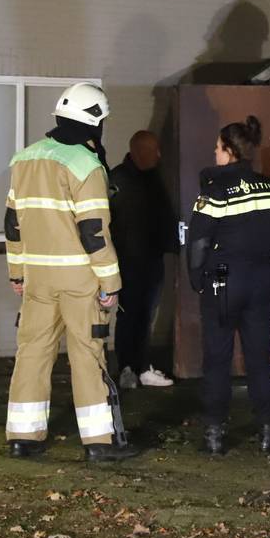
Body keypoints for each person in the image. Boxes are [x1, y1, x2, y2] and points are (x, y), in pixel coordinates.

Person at [3, 83, 140, 462]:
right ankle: (99, 443)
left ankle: (23, 437)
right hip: (80, 281)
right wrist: (111, 283)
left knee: (31, 352)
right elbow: (94, 232)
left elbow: (13, 224)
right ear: (96, 121)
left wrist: (17, 273)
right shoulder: (86, 165)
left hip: (37, 279)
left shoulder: (24, 159)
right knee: (87, 354)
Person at [185, 116, 270, 454]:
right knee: (259, 358)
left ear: (229, 151)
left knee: (218, 357)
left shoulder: (215, 192)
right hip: (262, 280)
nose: (214, 153)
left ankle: (214, 434)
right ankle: (268, 430)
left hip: (223, 279)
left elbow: (198, 241)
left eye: (217, 148)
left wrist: (197, 279)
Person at [110, 130, 179, 390]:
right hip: (127, 262)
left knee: (145, 315)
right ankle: (127, 366)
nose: (159, 155)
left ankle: (141, 365)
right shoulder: (118, 180)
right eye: (154, 150)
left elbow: (163, 216)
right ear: (139, 151)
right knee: (129, 315)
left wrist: (170, 244)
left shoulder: (153, 179)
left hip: (151, 260)